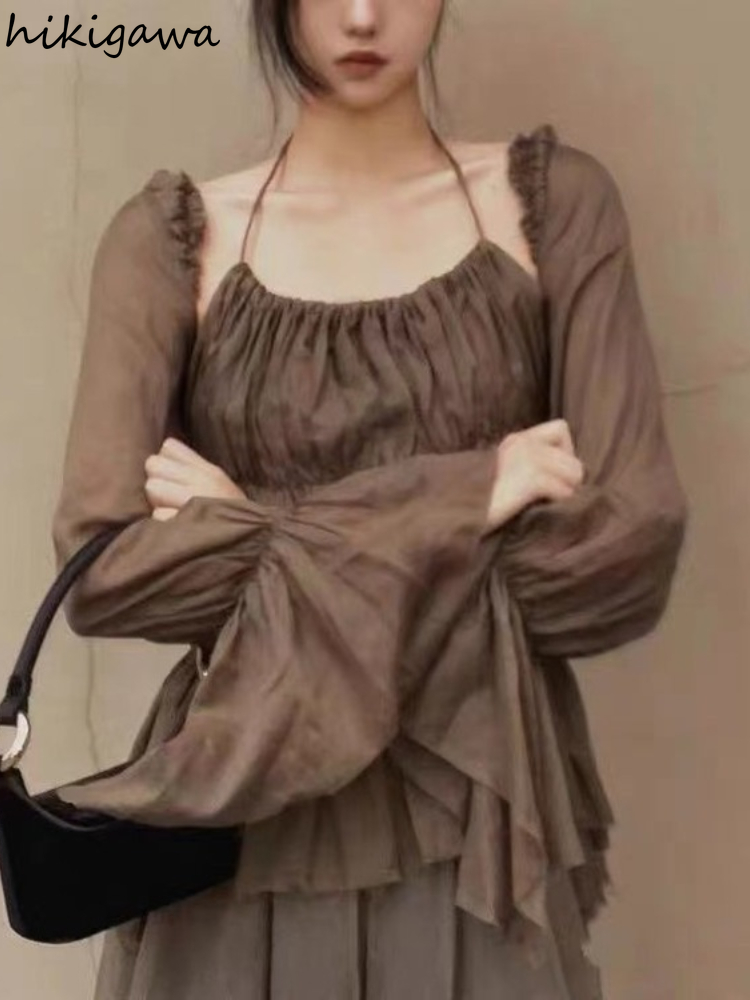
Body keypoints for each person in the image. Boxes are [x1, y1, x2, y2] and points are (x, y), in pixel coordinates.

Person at [49, 1, 689, 997]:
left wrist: (256, 532)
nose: (361, 15)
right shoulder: (169, 243)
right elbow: (109, 574)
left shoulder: (553, 208)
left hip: (476, 822)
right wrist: (473, 494)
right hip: (241, 812)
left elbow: (619, 557)